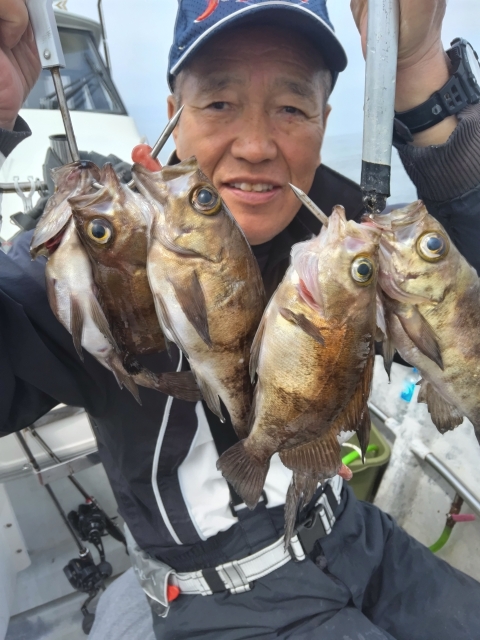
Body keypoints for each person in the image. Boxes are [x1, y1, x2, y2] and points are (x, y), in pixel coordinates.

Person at [1, 0, 480, 638]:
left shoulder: (344, 236)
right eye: (220, 103)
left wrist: (420, 72)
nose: (255, 146)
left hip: (354, 534)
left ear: (325, 119)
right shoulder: (98, 258)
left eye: (292, 108)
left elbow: (459, 300)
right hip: (225, 601)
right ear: (173, 114)